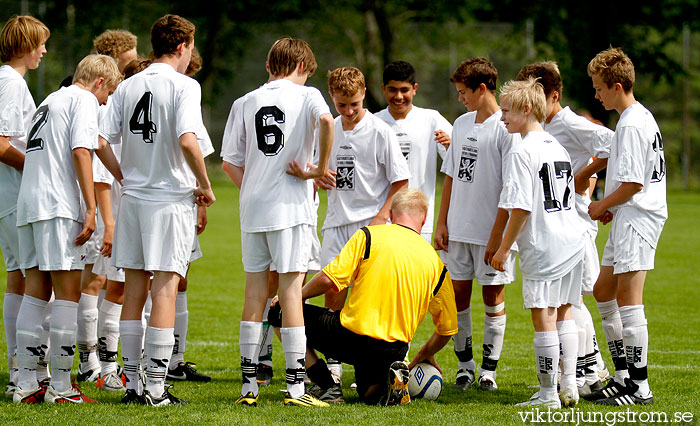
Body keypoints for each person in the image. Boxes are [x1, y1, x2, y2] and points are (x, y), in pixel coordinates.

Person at [100, 14, 215, 406]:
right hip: (168, 200)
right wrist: (204, 183)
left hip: (133, 198)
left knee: (134, 289)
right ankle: (154, 387)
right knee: (164, 290)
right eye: (191, 46)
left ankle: (132, 385)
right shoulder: (186, 85)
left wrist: (123, 176)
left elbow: (100, 140)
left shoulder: (128, 84)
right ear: (182, 46)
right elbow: (187, 139)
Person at [221, 37, 333, 407]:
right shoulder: (307, 95)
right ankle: (297, 388)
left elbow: (229, 162)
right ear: (302, 67)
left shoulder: (244, 100)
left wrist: (254, 187)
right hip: (289, 208)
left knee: (254, 292)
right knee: (289, 292)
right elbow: (327, 121)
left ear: (270, 66)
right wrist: (319, 168)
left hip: (253, 208)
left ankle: (249, 387)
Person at [268, 189, 457, 406]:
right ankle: (387, 385)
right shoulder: (437, 265)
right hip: (395, 348)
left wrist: (292, 297)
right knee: (368, 396)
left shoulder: (369, 235)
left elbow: (329, 279)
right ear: (423, 221)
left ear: (392, 216)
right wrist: (424, 353)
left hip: (351, 338)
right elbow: (447, 329)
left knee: (279, 312)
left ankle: (326, 386)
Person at [14, 54, 122, 404]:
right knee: (67, 294)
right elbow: (81, 151)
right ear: (100, 83)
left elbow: (96, 146)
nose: (105, 103)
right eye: (107, 96)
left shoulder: (50, 99)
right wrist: (91, 209)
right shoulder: (85, 99)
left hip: (29, 205)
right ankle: (61, 386)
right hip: (58, 207)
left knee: (34, 292)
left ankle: (26, 384)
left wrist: (122, 176)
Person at [516, 62, 613, 398]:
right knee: (569, 302)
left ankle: (590, 371)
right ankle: (575, 375)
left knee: (575, 301)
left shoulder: (569, 123)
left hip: (574, 222)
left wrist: (584, 177)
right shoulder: (538, 130)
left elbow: (613, 145)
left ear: (553, 95)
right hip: (555, 225)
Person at [491, 77, 584, 408]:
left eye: (506, 112)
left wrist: (503, 248)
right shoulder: (554, 144)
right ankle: (569, 386)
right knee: (565, 312)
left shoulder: (521, 149)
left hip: (545, 243)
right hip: (572, 238)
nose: (501, 118)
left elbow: (521, 207)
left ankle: (548, 395)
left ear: (526, 109)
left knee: (543, 315)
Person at [586, 47, 667, 406]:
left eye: (599, 87)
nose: (596, 94)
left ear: (617, 86)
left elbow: (634, 184)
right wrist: (611, 209)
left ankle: (640, 387)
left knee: (629, 299)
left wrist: (602, 203)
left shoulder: (633, 123)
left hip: (639, 217)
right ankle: (622, 377)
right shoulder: (634, 117)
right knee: (603, 290)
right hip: (626, 215)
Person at [434, 57, 517, 392]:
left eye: (463, 92)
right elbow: (451, 177)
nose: (460, 98)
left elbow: (510, 189)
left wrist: (498, 237)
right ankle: (465, 367)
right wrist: (442, 222)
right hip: (458, 229)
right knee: (458, 297)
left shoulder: (506, 128)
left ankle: (489, 371)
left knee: (493, 296)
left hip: (489, 233)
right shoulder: (461, 123)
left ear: (482, 89)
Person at [76, 28, 138, 384]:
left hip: (119, 205)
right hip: (104, 207)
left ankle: (107, 363)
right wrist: (107, 221)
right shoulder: (101, 101)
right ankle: (89, 362)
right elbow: (98, 166)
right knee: (96, 280)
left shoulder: (118, 96)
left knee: (117, 284)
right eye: (130, 57)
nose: (135, 62)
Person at [0, 14, 50, 398]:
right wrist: (38, 165)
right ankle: (23, 370)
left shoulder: (9, 81)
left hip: (10, 196)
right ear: (25, 46)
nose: (44, 51)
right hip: (15, 195)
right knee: (32, 278)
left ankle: (20, 365)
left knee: (17, 278)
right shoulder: (11, 83)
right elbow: (1, 144)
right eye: (40, 44)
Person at [375, 60, 452, 243]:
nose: (399, 96)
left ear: (414, 88)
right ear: (383, 89)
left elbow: (457, 163)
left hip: (419, 220)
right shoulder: (374, 122)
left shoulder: (431, 119)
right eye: (393, 90)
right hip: (382, 220)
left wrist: (450, 146)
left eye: (404, 90)